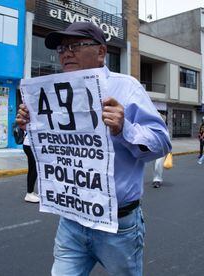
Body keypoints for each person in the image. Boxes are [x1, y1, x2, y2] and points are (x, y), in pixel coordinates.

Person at [16, 22, 171, 275]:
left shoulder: (127, 87)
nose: (65, 53)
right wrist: (29, 126)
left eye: (74, 46)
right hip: (71, 221)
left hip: (118, 226)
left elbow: (161, 143)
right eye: (62, 48)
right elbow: (47, 150)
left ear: (101, 52)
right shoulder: (53, 93)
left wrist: (124, 128)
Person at [22, 133, 40, 203]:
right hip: (30, 145)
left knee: (32, 168)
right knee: (35, 169)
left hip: (29, 145)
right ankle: (29, 194)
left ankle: (30, 192)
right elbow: (18, 121)